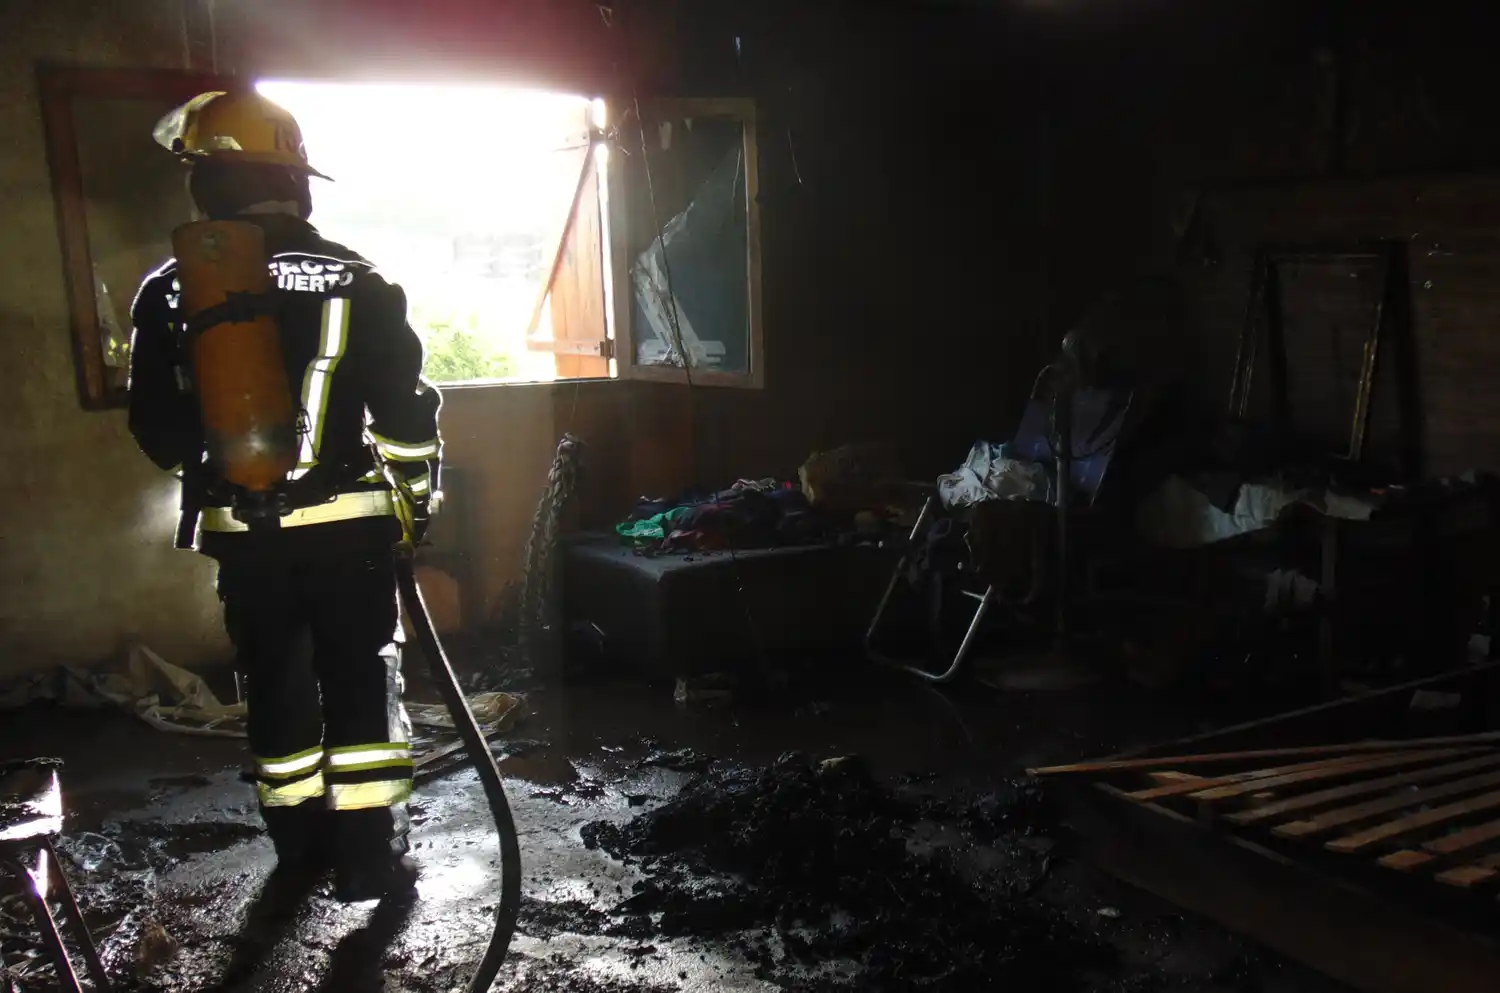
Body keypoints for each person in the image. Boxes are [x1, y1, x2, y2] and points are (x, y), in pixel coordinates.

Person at [127, 90, 441, 902]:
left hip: (247, 537)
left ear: (208, 185)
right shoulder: (359, 280)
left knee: (274, 684)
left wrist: (226, 470)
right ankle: (370, 855)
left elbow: (156, 428)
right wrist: (416, 504)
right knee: (360, 683)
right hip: (351, 535)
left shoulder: (167, 291)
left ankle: (299, 848)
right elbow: (407, 417)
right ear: (294, 180)